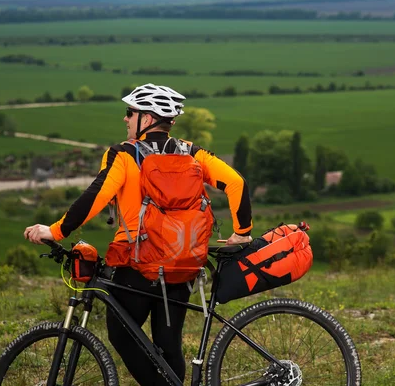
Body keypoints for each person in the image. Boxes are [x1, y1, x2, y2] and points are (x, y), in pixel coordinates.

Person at [24, 83, 253, 385]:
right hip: (183, 263)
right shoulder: (193, 153)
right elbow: (236, 183)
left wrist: (54, 231)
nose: (125, 119)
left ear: (146, 119)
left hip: (136, 265)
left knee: (121, 334)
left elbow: (95, 197)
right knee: (168, 345)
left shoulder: (124, 155)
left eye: (129, 112)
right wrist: (242, 233)